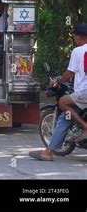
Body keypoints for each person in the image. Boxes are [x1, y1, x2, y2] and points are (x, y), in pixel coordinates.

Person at [29, 24, 87, 161]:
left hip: (84, 92)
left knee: (63, 104)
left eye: (75, 36)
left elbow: (70, 72)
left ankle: (84, 127)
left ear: (80, 37)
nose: (74, 38)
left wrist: (58, 81)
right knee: (68, 115)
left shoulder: (79, 51)